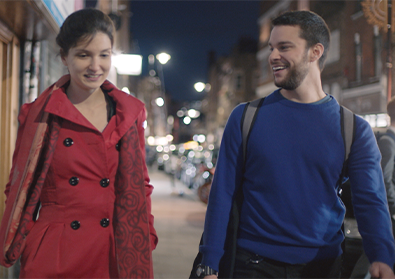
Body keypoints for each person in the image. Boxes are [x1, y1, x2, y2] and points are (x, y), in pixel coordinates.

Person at [197, 10, 395, 279]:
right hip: (252, 265)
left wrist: (381, 256)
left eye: (284, 47)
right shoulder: (245, 117)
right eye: (271, 48)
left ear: (315, 52)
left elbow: (370, 201)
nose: (273, 56)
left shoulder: (353, 129)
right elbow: (222, 195)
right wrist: (209, 263)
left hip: (322, 267)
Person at [0, 8, 157, 279]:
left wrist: (146, 232)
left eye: (104, 55)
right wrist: (31, 242)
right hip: (55, 254)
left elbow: (140, 185)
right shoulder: (39, 114)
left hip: (112, 251)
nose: (95, 66)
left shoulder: (129, 113)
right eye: (84, 55)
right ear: (64, 57)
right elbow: (19, 184)